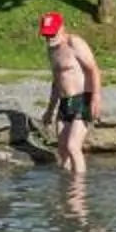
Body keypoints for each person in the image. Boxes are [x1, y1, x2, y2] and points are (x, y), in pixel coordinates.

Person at [40, 10, 102, 174]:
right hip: (64, 102)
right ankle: (65, 185)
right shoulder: (52, 50)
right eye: (46, 35)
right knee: (62, 149)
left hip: (82, 99)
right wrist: (50, 110)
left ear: (62, 28)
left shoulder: (74, 43)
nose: (49, 38)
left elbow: (93, 69)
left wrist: (96, 97)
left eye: (52, 34)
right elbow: (57, 82)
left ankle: (79, 188)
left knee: (73, 146)